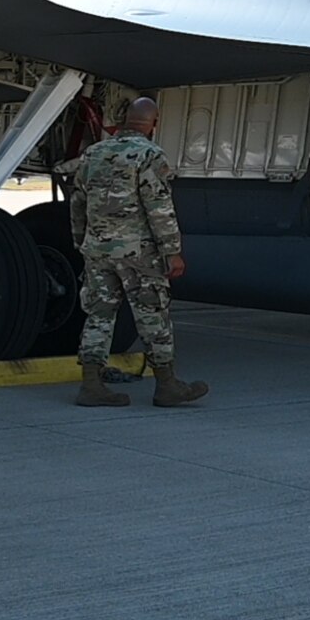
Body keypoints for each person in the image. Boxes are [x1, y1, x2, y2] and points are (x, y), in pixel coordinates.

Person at [69, 96, 209, 408]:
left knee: (98, 315)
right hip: (138, 254)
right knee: (152, 315)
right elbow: (159, 207)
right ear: (154, 124)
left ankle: (91, 385)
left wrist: (82, 240)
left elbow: (78, 203)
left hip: (97, 250)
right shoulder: (149, 155)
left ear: (123, 121)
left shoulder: (93, 153)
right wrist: (172, 251)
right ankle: (167, 384)